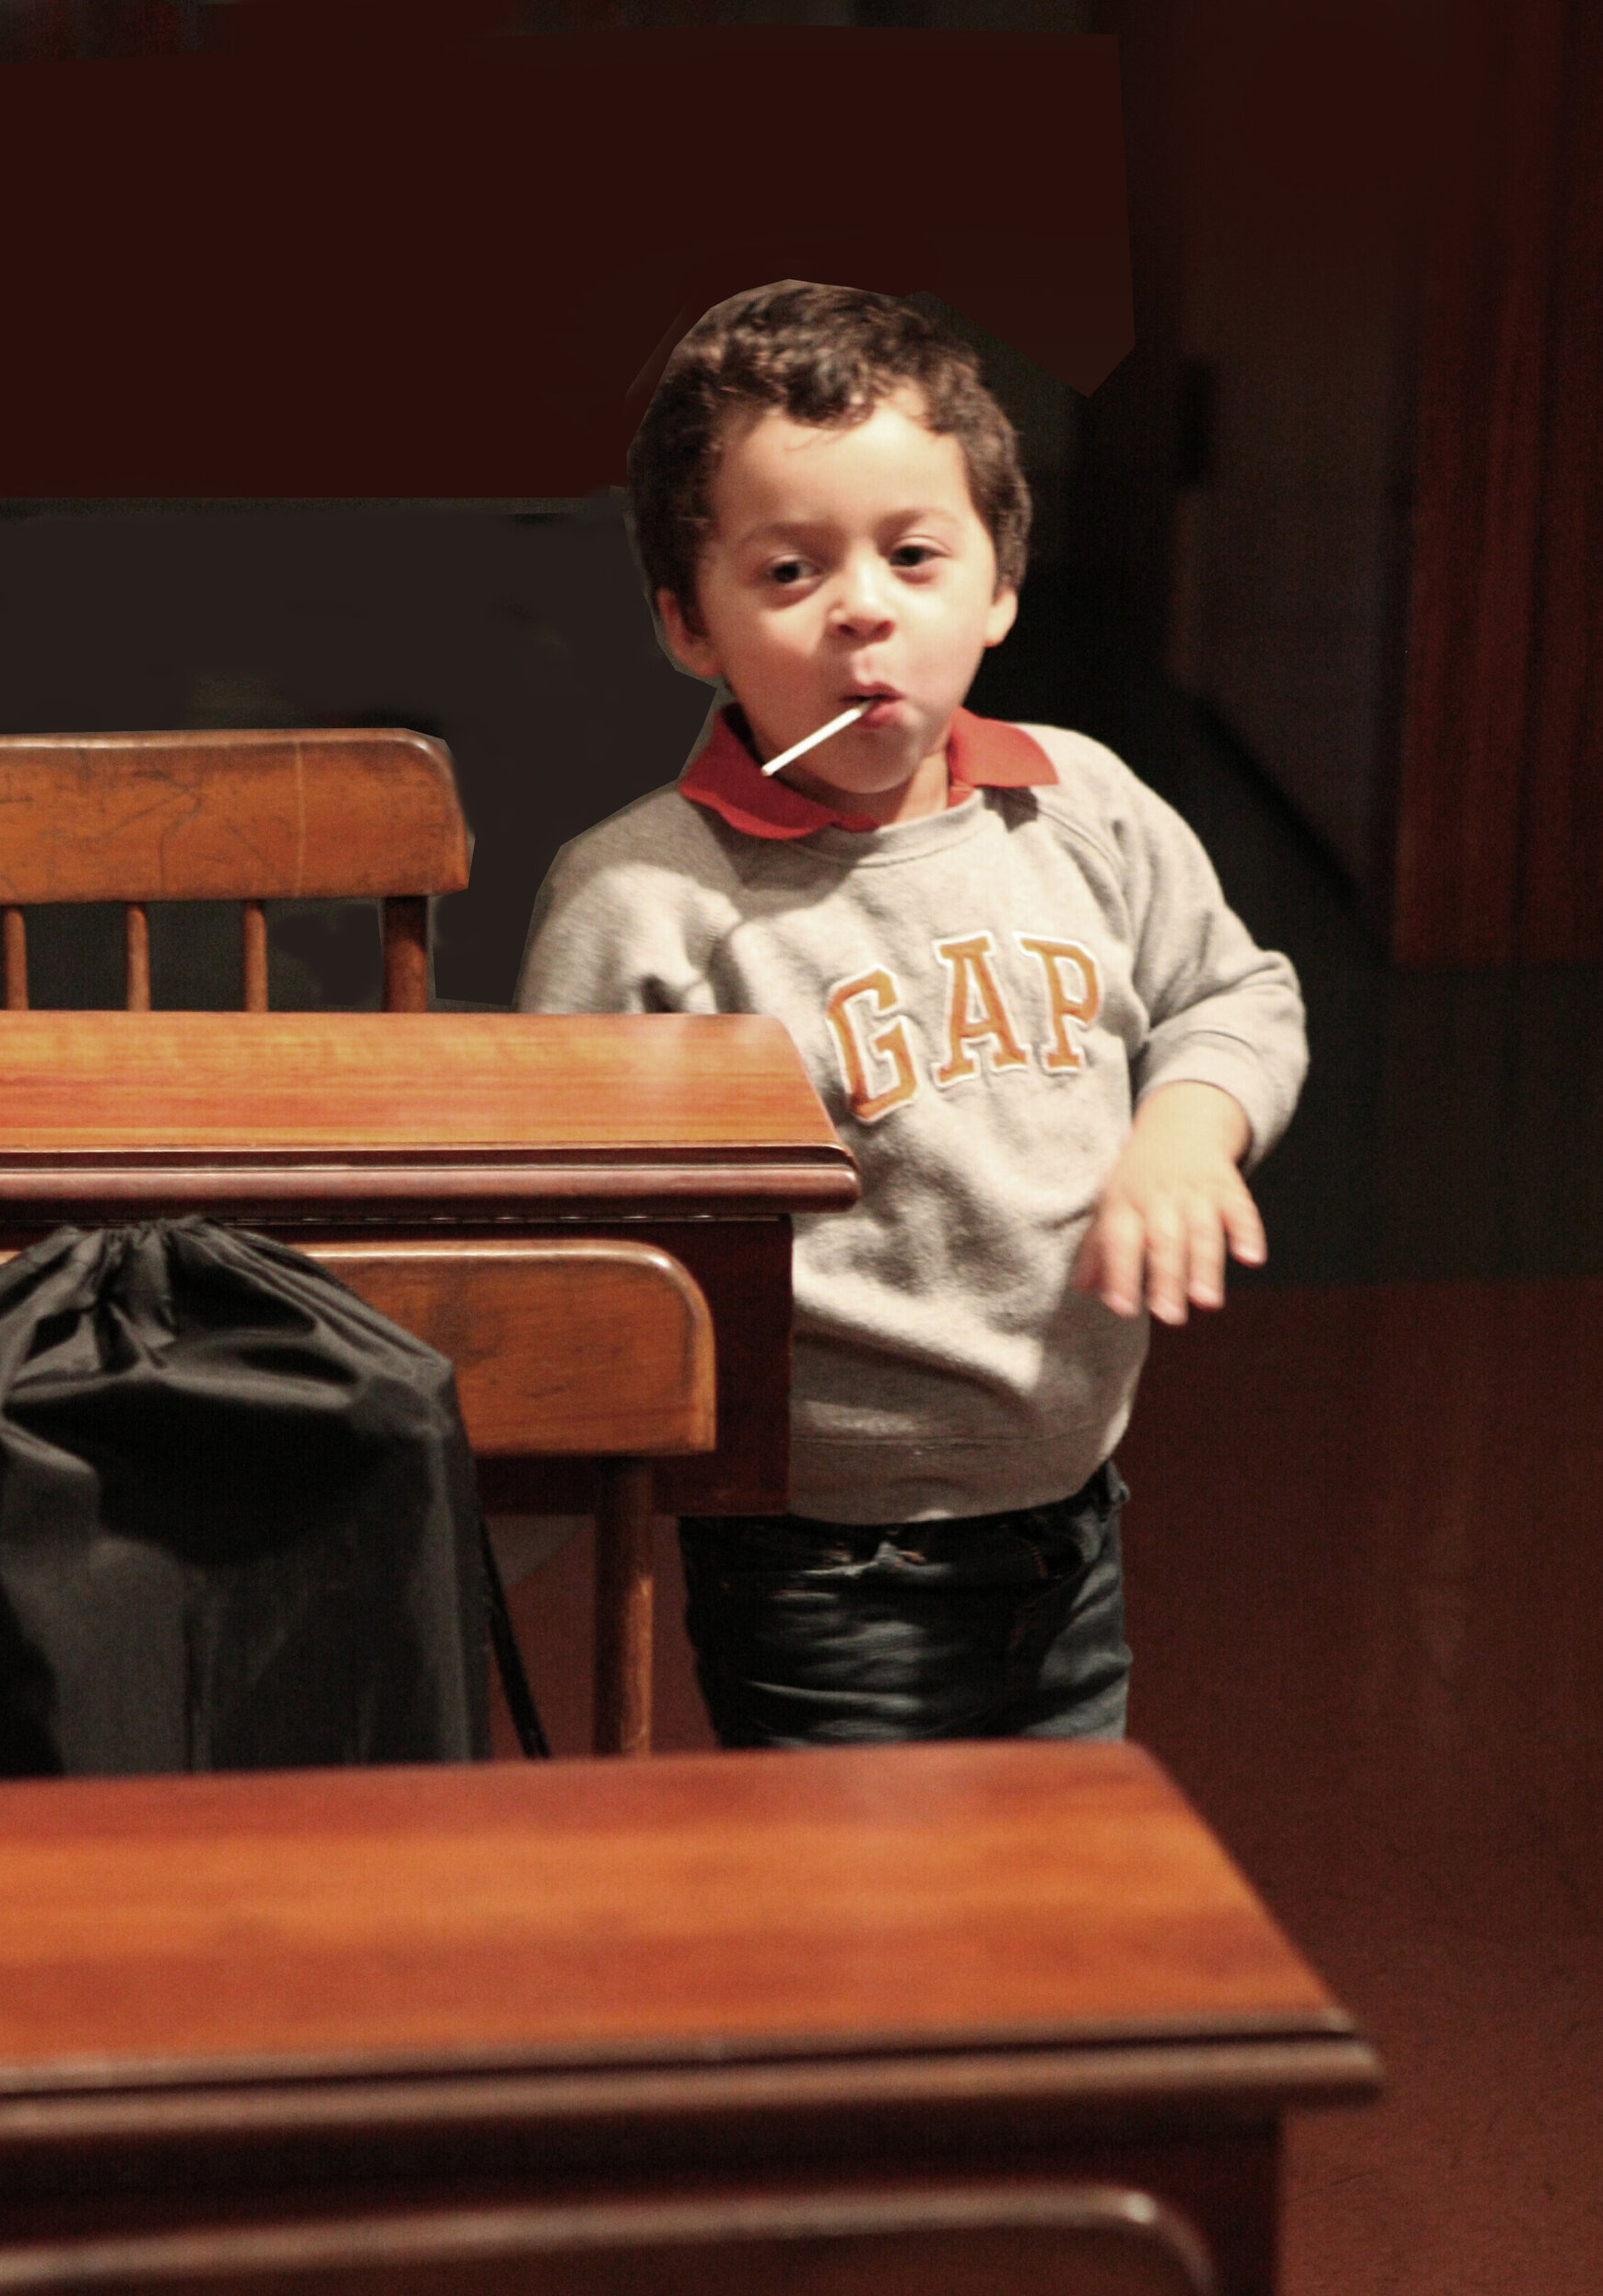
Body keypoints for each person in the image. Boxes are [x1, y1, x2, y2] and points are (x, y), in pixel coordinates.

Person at [516, 282, 1307, 1745]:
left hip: (1074, 1524)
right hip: (818, 1565)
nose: (865, 607)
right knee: (869, 1948)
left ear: (999, 585)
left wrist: (1189, 1129)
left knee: (1045, 1923)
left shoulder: (1085, 805)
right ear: (692, 624)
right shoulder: (645, 900)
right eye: (790, 572)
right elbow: (563, 1254)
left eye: (915, 555)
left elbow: (1230, 992)